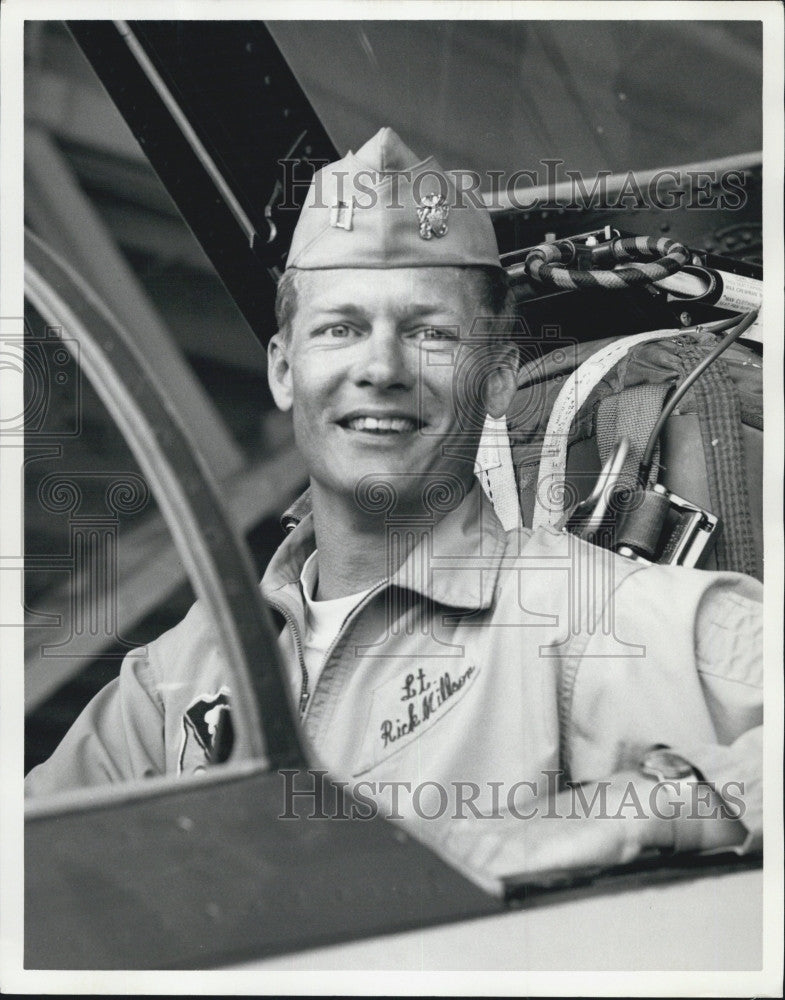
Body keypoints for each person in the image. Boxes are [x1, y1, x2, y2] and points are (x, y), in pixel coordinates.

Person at [25, 128, 762, 884]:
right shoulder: (190, 668)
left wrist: (630, 810)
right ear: (284, 370)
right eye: (341, 328)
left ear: (500, 378)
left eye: (429, 332)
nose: (380, 367)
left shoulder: (589, 617)